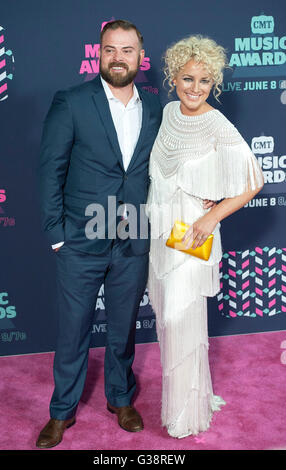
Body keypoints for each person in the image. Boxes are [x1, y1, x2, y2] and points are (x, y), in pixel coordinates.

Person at [36, 19, 163, 448]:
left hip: (133, 237)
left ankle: (121, 398)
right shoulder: (72, 102)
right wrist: (57, 233)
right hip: (81, 239)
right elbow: (50, 169)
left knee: (123, 328)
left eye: (127, 50)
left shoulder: (155, 108)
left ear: (140, 57)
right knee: (73, 329)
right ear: (99, 53)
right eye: (110, 49)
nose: (118, 57)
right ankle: (61, 411)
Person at [146, 35, 264, 439]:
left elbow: (253, 181)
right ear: (173, 78)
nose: (194, 88)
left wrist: (212, 215)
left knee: (183, 320)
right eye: (186, 78)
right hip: (163, 234)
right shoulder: (166, 113)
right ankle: (189, 397)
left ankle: (184, 416)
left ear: (213, 82)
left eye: (203, 80)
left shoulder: (217, 122)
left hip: (192, 235)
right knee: (169, 321)